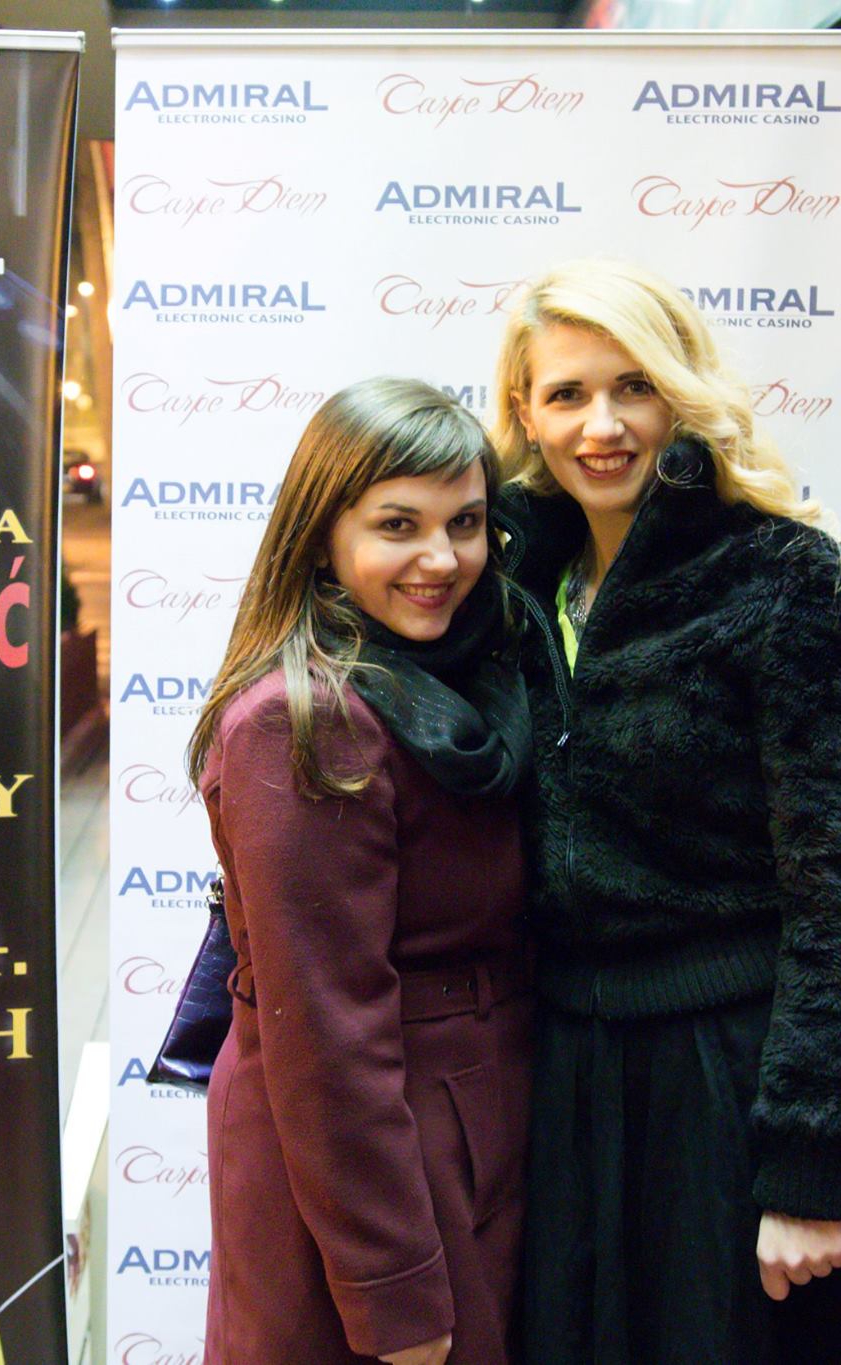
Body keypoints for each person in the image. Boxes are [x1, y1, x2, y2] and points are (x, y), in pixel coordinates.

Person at [487, 260, 841, 1364]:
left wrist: (810, 1164)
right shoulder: (503, 591)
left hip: (731, 1085)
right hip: (562, 1084)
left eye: (632, 386)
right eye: (566, 393)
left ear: (681, 395)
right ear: (524, 415)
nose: (601, 425)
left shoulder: (789, 580)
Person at [188, 377, 535, 1365]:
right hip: (373, 1166)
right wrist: (394, 1293)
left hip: (463, 1124)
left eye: (465, 523)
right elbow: (326, 1029)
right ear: (321, 538)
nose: (442, 559)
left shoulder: (467, 680)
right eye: (397, 525)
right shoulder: (301, 721)